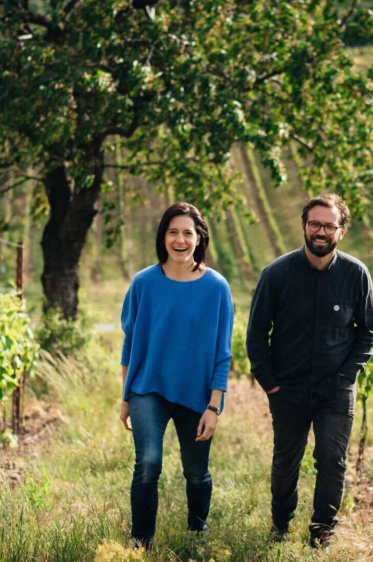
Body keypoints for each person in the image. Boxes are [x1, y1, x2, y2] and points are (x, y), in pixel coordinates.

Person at [245, 193, 373, 549]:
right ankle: (280, 525)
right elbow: (257, 332)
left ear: (342, 230)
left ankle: (322, 532)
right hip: (286, 389)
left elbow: (370, 328)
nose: (321, 231)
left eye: (329, 225)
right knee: (286, 462)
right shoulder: (277, 275)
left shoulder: (356, 275)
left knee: (332, 461)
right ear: (305, 227)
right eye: (315, 224)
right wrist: (270, 384)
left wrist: (348, 375)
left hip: (335, 389)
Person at [119, 202, 234, 548]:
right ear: (163, 237)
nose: (180, 240)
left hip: (196, 395)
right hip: (147, 389)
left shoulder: (216, 288)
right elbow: (130, 343)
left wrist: (214, 407)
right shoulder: (143, 283)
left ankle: (195, 535)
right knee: (148, 464)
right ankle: (141, 542)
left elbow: (222, 353)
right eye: (173, 232)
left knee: (196, 473)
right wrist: (125, 398)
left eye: (188, 233)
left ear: (199, 239)